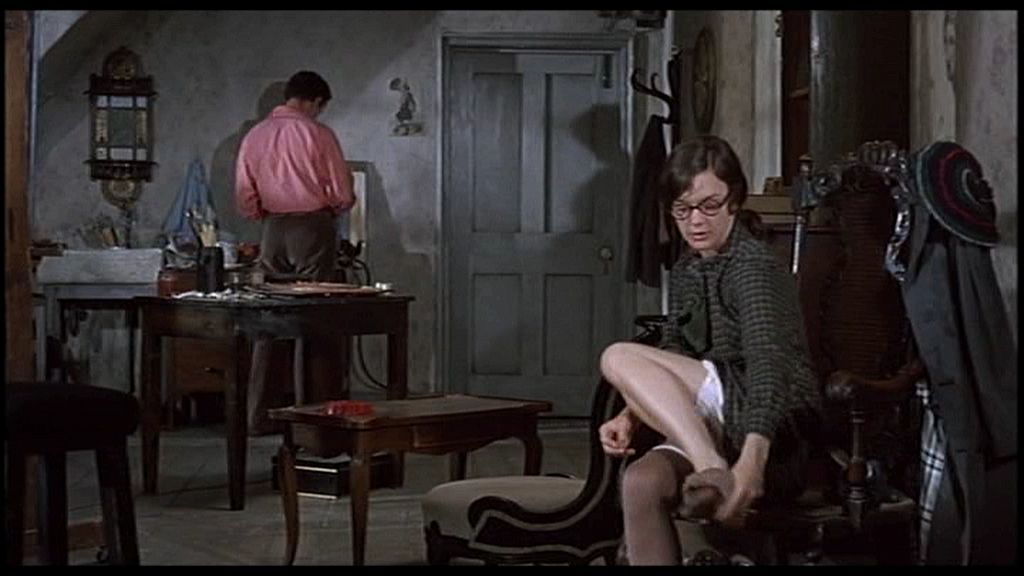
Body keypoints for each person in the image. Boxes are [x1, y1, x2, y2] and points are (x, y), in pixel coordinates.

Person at [598, 135, 822, 565]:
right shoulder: (688, 269)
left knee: (617, 356)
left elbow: (769, 366)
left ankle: (709, 465)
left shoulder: (752, 267)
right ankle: (709, 463)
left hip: (771, 435)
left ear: (734, 200)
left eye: (709, 205)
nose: (695, 221)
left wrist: (753, 459)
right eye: (683, 209)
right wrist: (632, 413)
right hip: (709, 422)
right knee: (641, 482)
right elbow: (674, 352)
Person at [234, 70, 356, 434]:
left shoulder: (255, 136)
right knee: (315, 321)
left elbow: (244, 191)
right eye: (320, 107)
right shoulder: (318, 134)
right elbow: (342, 192)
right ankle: (315, 418)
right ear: (315, 101)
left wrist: (263, 214)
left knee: (269, 320)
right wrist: (338, 206)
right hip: (312, 226)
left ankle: (260, 416)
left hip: (273, 228)